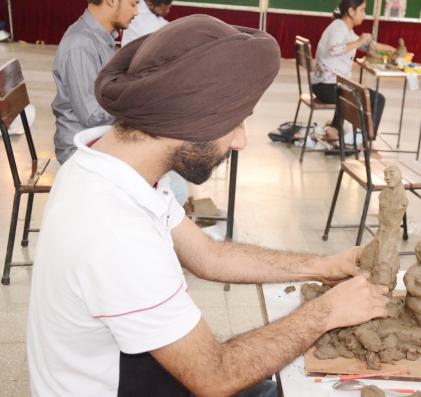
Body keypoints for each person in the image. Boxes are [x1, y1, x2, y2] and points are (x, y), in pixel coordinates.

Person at [27, 15, 389, 397]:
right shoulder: (115, 229)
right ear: (189, 119)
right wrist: (326, 312)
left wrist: (323, 266)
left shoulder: (112, 164)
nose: (241, 142)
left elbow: (208, 256)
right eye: (235, 123)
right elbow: (213, 377)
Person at [52, 0, 139, 164]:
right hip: (81, 149)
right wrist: (135, 103)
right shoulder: (81, 45)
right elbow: (92, 115)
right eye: (133, 4)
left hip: (100, 138)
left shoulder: (102, 38)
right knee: (170, 173)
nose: (136, 13)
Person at [121, 0, 191, 204]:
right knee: (178, 191)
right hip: (130, 124)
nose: (169, 10)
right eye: (166, 6)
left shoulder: (147, 19)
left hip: (135, 111)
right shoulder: (142, 21)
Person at [312, 0, 396, 144]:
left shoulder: (345, 29)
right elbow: (334, 49)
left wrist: (391, 49)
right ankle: (363, 141)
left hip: (330, 85)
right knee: (375, 99)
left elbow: (367, 46)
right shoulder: (338, 28)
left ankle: (335, 129)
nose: (364, 14)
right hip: (326, 88)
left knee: (350, 89)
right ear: (351, 11)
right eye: (362, 10)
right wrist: (360, 41)